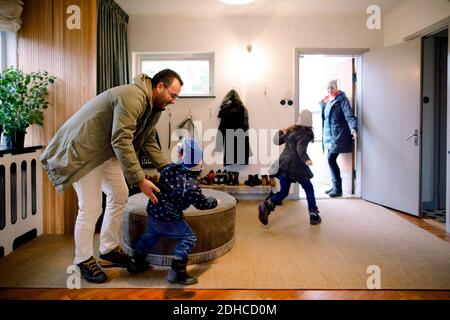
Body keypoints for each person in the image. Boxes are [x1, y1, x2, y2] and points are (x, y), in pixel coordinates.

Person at [40, 69, 183, 283]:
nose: (174, 101)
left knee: (119, 193)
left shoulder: (153, 108)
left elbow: (148, 141)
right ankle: (83, 259)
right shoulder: (133, 97)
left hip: (106, 152)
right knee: (91, 206)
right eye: (173, 95)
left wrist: (169, 170)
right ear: (159, 86)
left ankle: (107, 249)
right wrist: (140, 179)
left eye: (176, 97)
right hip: (84, 150)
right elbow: (122, 139)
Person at [127, 137, 219, 285]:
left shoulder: (168, 169)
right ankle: (178, 271)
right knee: (189, 238)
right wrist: (214, 201)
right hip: (170, 218)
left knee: (150, 236)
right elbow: (202, 204)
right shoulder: (191, 186)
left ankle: (136, 261)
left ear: (182, 155)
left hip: (154, 211)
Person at [258, 109, 321, 226]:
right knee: (309, 189)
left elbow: (276, 141)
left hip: (284, 164)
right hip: (297, 166)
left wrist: (280, 132)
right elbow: (300, 149)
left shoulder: (291, 130)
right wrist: (306, 159)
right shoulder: (306, 133)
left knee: (284, 191)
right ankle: (313, 214)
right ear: (310, 121)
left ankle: (267, 205)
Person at [320, 79, 358, 197]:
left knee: (331, 159)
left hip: (337, 134)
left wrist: (353, 128)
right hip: (328, 135)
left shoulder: (341, 99)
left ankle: (338, 188)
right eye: (327, 88)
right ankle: (335, 186)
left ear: (336, 88)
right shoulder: (326, 101)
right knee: (330, 159)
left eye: (331, 87)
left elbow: (349, 115)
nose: (329, 90)